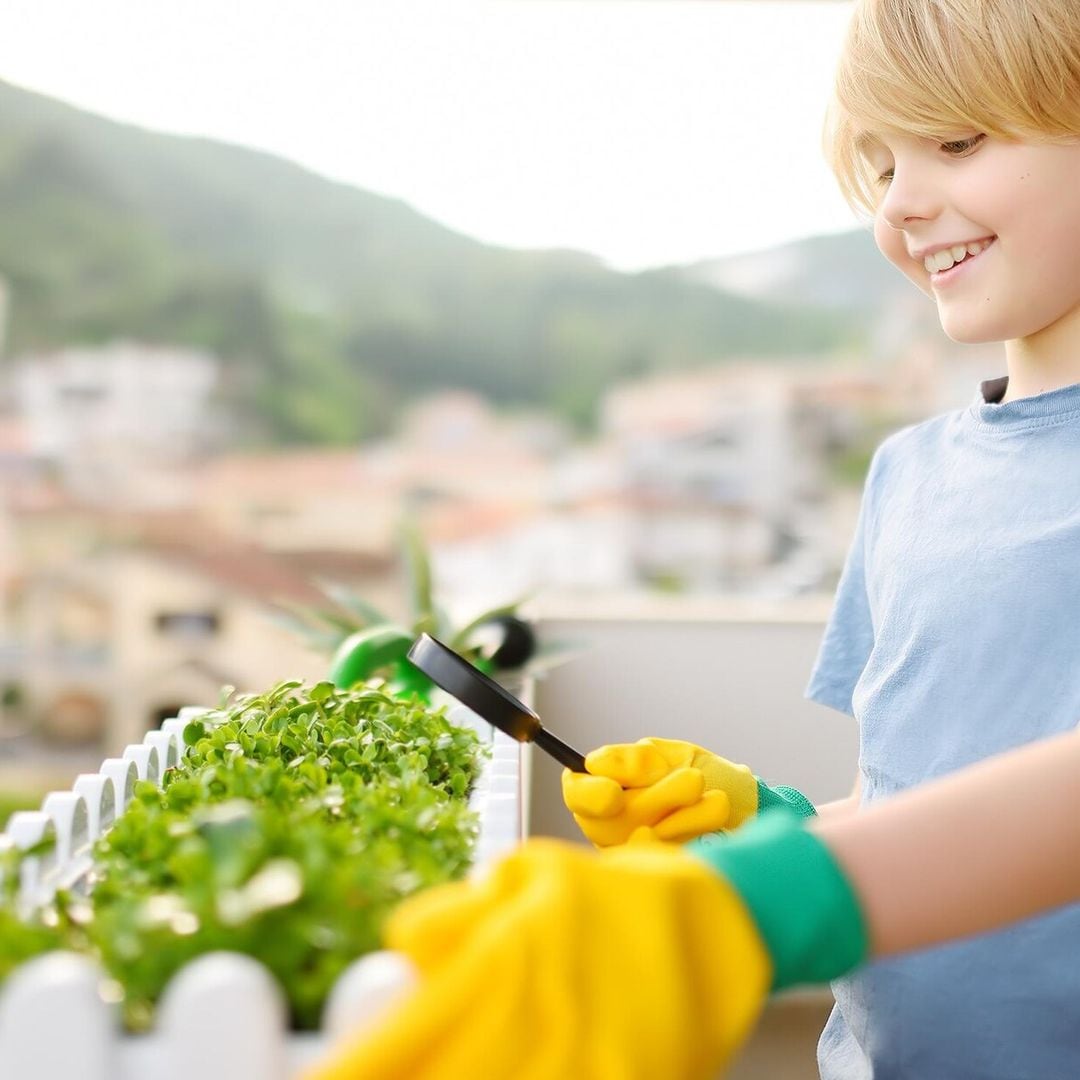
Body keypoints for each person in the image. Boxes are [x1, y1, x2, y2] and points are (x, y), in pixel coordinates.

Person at [306, 0, 1080, 1076]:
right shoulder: (911, 476)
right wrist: (764, 823)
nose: (903, 204)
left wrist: (772, 900)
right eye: (880, 162)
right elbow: (922, 792)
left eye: (955, 142)